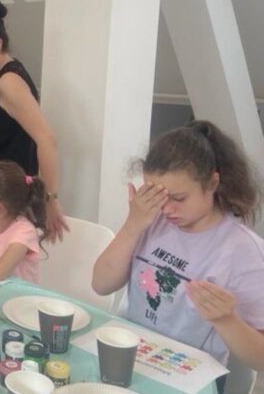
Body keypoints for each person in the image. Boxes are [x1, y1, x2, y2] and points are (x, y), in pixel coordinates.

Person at [92, 121, 264, 383]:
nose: (167, 209)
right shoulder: (151, 220)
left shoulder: (243, 251)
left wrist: (226, 320)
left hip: (189, 376)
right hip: (131, 356)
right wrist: (132, 225)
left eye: (179, 198)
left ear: (213, 183)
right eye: (158, 196)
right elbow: (101, 284)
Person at [0, 0, 67, 241]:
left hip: (4, 199)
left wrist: (50, 199)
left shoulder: (9, 82)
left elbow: (47, 139)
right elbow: (9, 126)